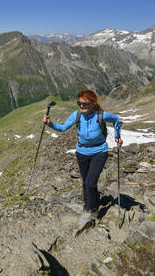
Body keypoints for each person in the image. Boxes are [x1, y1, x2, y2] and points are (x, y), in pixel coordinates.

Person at [43, 90, 123, 219]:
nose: (81, 106)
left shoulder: (100, 115)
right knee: (86, 182)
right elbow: (63, 128)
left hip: (99, 152)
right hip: (81, 152)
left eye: (84, 104)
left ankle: (93, 208)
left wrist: (117, 135)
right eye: (79, 103)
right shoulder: (76, 115)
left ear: (92, 104)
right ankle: (87, 204)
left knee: (91, 182)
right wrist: (50, 124)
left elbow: (116, 120)